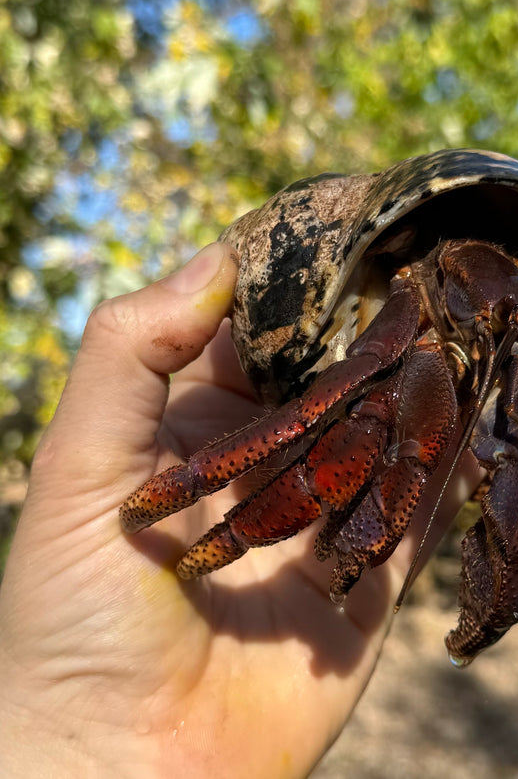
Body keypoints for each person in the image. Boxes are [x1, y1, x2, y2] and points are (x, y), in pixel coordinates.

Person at [0, 243, 480, 778]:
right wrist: (76, 724)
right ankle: (216, 520)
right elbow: (308, 414)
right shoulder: (415, 291)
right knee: (359, 420)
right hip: (396, 322)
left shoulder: (508, 330)